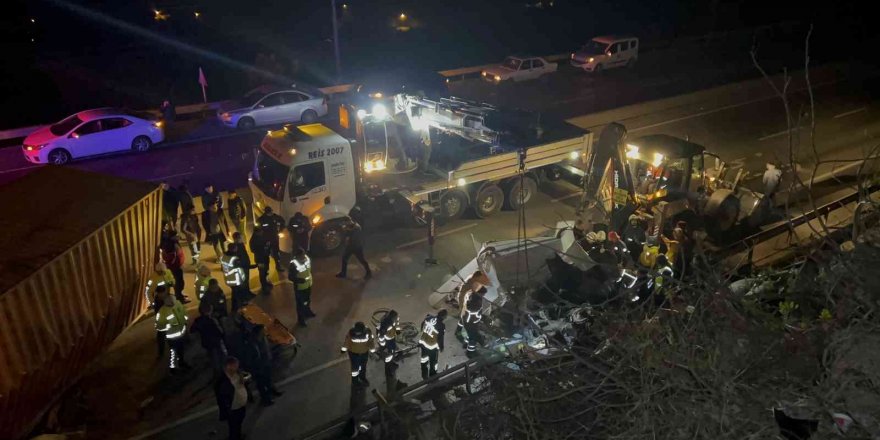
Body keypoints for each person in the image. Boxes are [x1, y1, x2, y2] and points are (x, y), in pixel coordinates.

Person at [241, 324, 282, 406]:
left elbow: (266, 349)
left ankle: (272, 392)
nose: (264, 332)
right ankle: (265, 399)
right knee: (261, 383)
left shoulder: (262, 339)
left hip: (265, 362)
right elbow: (252, 358)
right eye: (262, 331)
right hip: (258, 367)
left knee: (268, 379)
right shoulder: (252, 343)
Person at [215, 356, 248, 440]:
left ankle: (238, 435)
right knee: (234, 425)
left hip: (241, 404)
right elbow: (223, 397)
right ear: (228, 366)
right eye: (235, 365)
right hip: (233, 407)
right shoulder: (223, 381)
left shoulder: (237, 373)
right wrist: (227, 409)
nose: (237, 367)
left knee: (239, 421)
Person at [156, 295, 190, 373]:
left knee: (181, 350)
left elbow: (184, 312)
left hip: (181, 333)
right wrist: (168, 326)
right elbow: (159, 326)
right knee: (173, 353)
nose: (172, 305)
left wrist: (185, 321)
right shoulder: (162, 312)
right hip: (172, 336)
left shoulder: (177, 303)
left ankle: (181, 362)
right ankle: (173, 368)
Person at [191, 303, 227, 377]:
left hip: (206, 343)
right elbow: (220, 331)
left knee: (212, 355)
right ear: (209, 311)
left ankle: (216, 370)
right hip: (215, 342)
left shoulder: (198, 320)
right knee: (218, 357)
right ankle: (219, 373)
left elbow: (192, 330)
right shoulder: (212, 320)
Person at [341, 322, 376, 386]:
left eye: (358, 331)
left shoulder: (368, 332)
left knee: (363, 366)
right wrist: (344, 349)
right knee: (355, 369)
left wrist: (372, 350)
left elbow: (371, 341)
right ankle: (355, 381)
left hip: (364, 353)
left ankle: (362, 377)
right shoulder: (351, 332)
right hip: (353, 354)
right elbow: (347, 341)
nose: (356, 333)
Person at [160, 231, 190, 303]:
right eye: (176, 235)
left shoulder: (173, 242)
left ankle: (179, 294)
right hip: (175, 267)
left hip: (177, 266)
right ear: (172, 237)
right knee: (179, 283)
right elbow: (171, 258)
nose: (178, 236)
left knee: (179, 282)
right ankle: (179, 298)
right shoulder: (170, 245)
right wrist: (175, 264)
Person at [288, 248, 316, 326]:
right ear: (297, 256)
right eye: (301, 256)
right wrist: (299, 280)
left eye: (303, 254)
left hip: (308, 284)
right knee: (300, 304)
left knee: (307, 300)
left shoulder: (306, 258)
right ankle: (301, 320)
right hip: (300, 287)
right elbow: (290, 277)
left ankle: (307, 311)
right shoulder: (293, 264)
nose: (303, 256)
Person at [221, 243, 252, 313]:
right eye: (236, 248)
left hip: (229, 279)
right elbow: (242, 266)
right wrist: (254, 266)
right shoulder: (234, 259)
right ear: (234, 249)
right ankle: (239, 308)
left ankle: (235, 308)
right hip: (236, 280)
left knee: (234, 293)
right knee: (238, 294)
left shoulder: (224, 257)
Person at [419, 310, 447, 379]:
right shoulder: (441, 325)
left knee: (424, 359)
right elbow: (440, 338)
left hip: (423, 343)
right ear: (444, 316)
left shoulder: (429, 317)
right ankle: (433, 375)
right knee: (433, 362)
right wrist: (441, 347)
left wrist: (422, 330)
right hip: (432, 347)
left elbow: (422, 324)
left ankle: (424, 372)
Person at [256, 206, 285, 272]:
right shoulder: (261, 219)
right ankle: (266, 269)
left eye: (272, 211)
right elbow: (257, 229)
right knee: (266, 255)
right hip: (266, 240)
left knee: (276, 253)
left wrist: (280, 230)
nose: (272, 213)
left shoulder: (275, 217)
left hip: (275, 238)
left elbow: (282, 221)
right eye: (270, 212)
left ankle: (278, 266)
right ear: (267, 212)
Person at [249, 225, 273, 294]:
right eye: (260, 231)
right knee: (262, 273)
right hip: (260, 259)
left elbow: (267, 242)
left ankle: (266, 282)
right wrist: (263, 247)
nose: (262, 232)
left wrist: (268, 245)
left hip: (265, 257)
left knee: (266, 271)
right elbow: (253, 250)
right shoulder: (253, 240)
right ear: (257, 232)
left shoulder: (262, 236)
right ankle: (264, 287)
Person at [462, 286, 486, 355]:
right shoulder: (476, 303)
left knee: (470, 334)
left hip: (468, 321)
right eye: (483, 294)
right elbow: (475, 314)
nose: (484, 295)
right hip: (471, 323)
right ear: (480, 293)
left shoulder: (473, 296)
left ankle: (465, 344)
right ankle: (470, 352)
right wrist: (480, 317)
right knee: (473, 338)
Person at [152, 286, 170, 359]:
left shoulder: (160, 299)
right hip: (162, 321)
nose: (164, 294)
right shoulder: (159, 301)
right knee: (161, 335)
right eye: (163, 293)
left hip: (164, 320)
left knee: (162, 335)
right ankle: (161, 353)